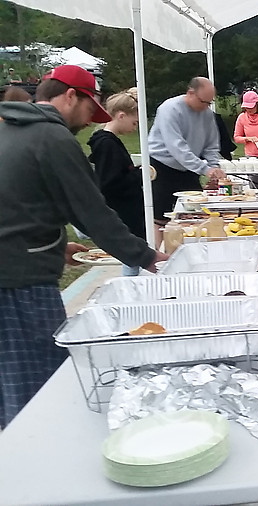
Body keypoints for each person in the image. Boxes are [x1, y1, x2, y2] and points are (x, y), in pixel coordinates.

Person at [0, 65, 167, 428]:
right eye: (91, 108)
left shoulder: (10, 128)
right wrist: (146, 255)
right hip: (19, 282)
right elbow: (93, 212)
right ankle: (32, 465)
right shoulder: (53, 138)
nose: (91, 120)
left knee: (9, 380)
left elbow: (16, 202)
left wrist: (53, 243)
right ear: (70, 96)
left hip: (17, 266)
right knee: (37, 384)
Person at [147, 77, 225, 234]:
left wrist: (214, 167)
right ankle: (163, 254)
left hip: (190, 168)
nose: (206, 107)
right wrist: (205, 169)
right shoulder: (169, 109)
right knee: (160, 215)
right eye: (203, 102)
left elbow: (211, 145)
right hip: (163, 166)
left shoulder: (207, 114)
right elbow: (177, 147)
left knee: (194, 214)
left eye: (209, 103)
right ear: (191, 93)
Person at [88, 87, 150, 275]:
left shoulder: (110, 142)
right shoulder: (107, 144)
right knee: (131, 259)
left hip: (129, 209)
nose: (135, 127)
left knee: (133, 259)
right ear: (121, 116)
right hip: (124, 210)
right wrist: (139, 176)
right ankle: (130, 290)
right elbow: (110, 182)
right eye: (134, 122)